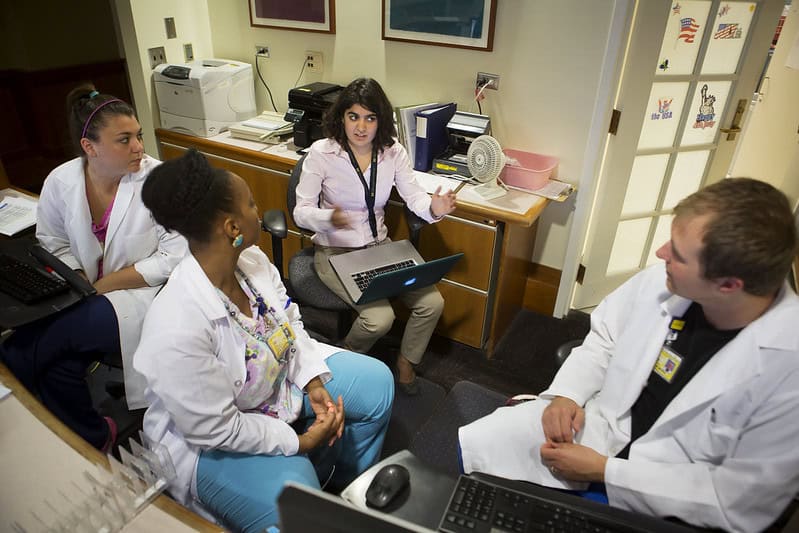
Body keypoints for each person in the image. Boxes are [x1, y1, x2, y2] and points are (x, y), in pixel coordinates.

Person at [458, 178, 799, 532]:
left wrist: (603, 470)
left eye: (678, 254)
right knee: (483, 442)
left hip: (671, 500)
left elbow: (737, 501)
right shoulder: (664, 282)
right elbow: (605, 336)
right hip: (601, 431)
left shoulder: (788, 366)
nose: (661, 253)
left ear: (728, 285)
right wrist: (566, 395)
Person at [136, 149, 394, 532]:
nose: (260, 213)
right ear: (231, 227)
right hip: (212, 441)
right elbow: (217, 429)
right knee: (300, 514)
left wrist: (313, 381)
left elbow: (289, 322)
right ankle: (307, 484)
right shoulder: (176, 325)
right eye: (252, 204)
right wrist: (300, 442)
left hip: (275, 388)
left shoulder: (252, 262)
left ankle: (340, 485)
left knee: (378, 386)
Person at [0, 84, 187, 451]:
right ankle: (94, 437)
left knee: (34, 344)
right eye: (124, 140)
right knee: (60, 365)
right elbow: (53, 241)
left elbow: (175, 256)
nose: (139, 147)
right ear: (90, 147)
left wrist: (104, 285)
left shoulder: (161, 181)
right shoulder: (61, 180)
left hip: (148, 295)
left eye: (139, 136)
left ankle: (9, 375)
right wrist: (80, 278)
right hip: (84, 290)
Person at [294, 77, 457, 395]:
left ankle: (406, 362)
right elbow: (301, 211)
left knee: (432, 303)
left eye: (370, 118)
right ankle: (343, 362)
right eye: (353, 116)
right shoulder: (321, 154)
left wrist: (434, 207)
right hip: (335, 252)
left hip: (379, 247)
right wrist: (328, 218)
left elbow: (415, 198)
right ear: (341, 116)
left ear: (380, 120)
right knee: (379, 319)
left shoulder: (392, 152)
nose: (361, 127)